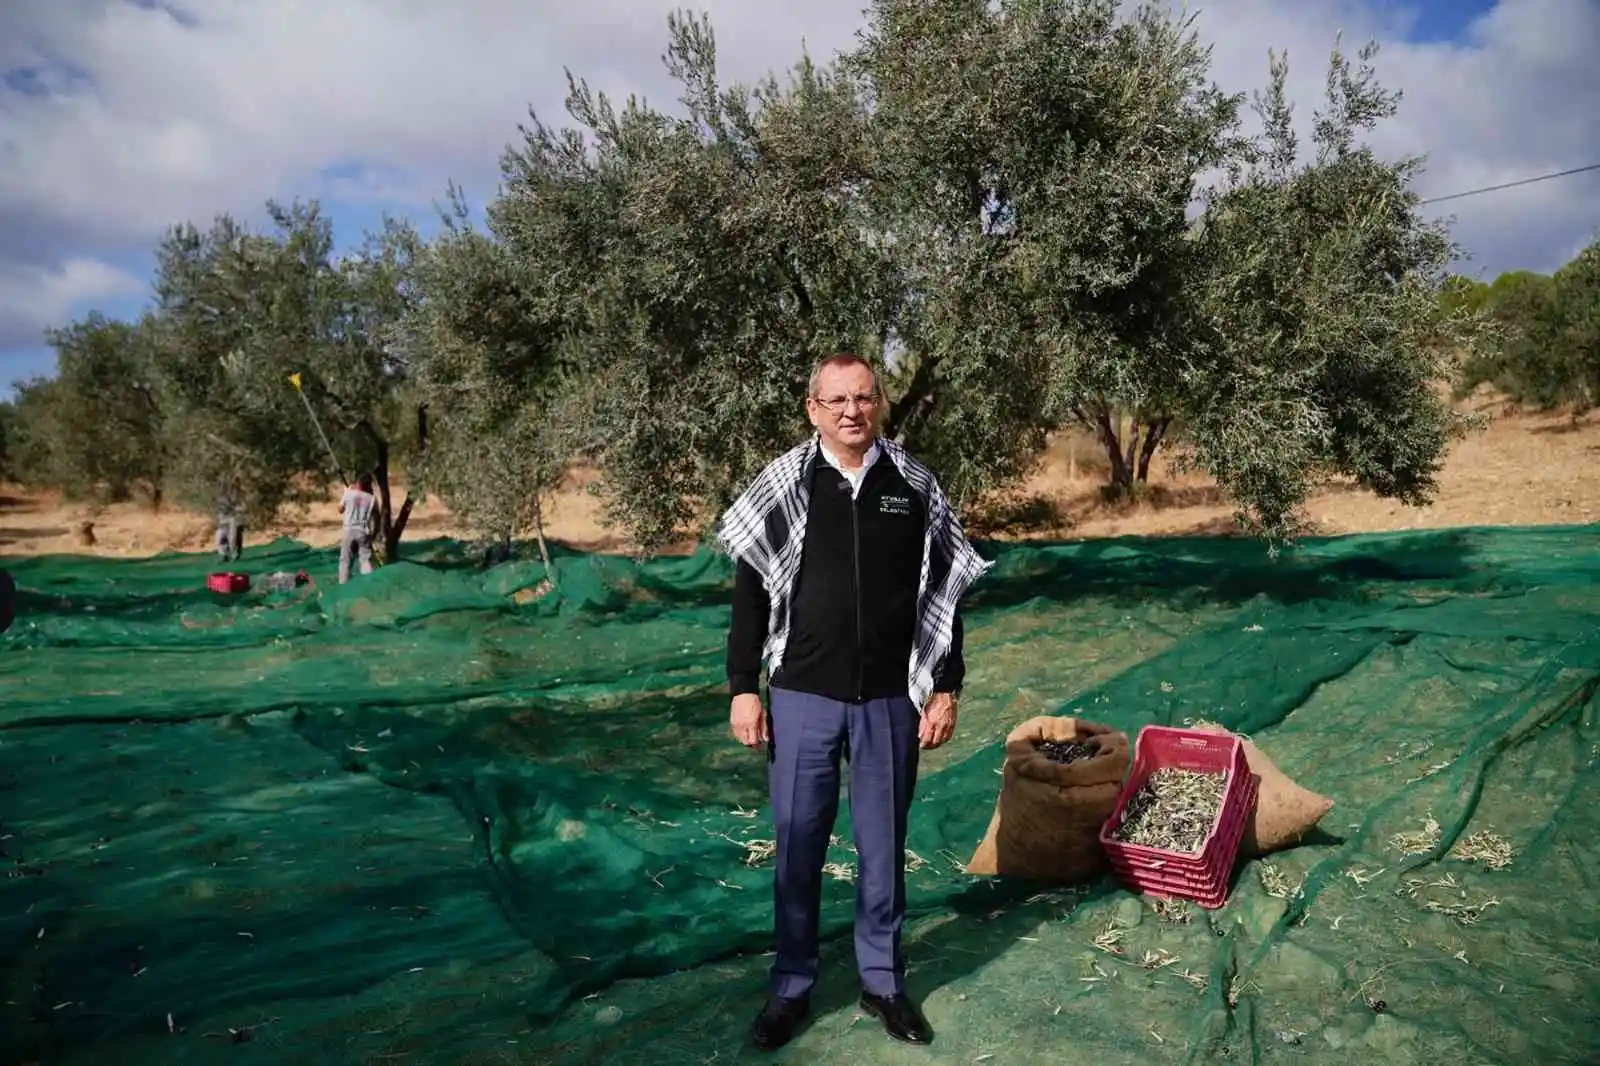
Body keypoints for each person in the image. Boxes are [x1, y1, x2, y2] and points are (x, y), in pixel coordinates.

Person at [718, 353, 992, 1051]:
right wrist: (743, 688)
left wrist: (946, 684)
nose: (851, 411)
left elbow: (944, 592)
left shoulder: (913, 484)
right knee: (798, 846)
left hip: (891, 701)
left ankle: (883, 983)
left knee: (883, 846)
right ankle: (790, 988)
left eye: (864, 398)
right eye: (836, 400)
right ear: (813, 409)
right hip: (803, 696)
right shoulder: (785, 483)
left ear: (881, 405)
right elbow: (750, 595)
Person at [338, 473, 380, 584]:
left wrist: (346, 493)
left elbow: (340, 509)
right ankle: (368, 584)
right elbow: (377, 519)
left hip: (348, 531)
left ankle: (343, 585)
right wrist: (373, 535)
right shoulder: (372, 499)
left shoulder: (349, 494)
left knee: (345, 561)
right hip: (363, 532)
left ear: (359, 483)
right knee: (365, 560)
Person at [215, 477, 245, 563]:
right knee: (220, 537)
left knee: (233, 538)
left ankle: (234, 554)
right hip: (223, 518)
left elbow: (241, 506)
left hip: (233, 517)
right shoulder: (220, 495)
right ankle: (223, 555)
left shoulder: (238, 494)